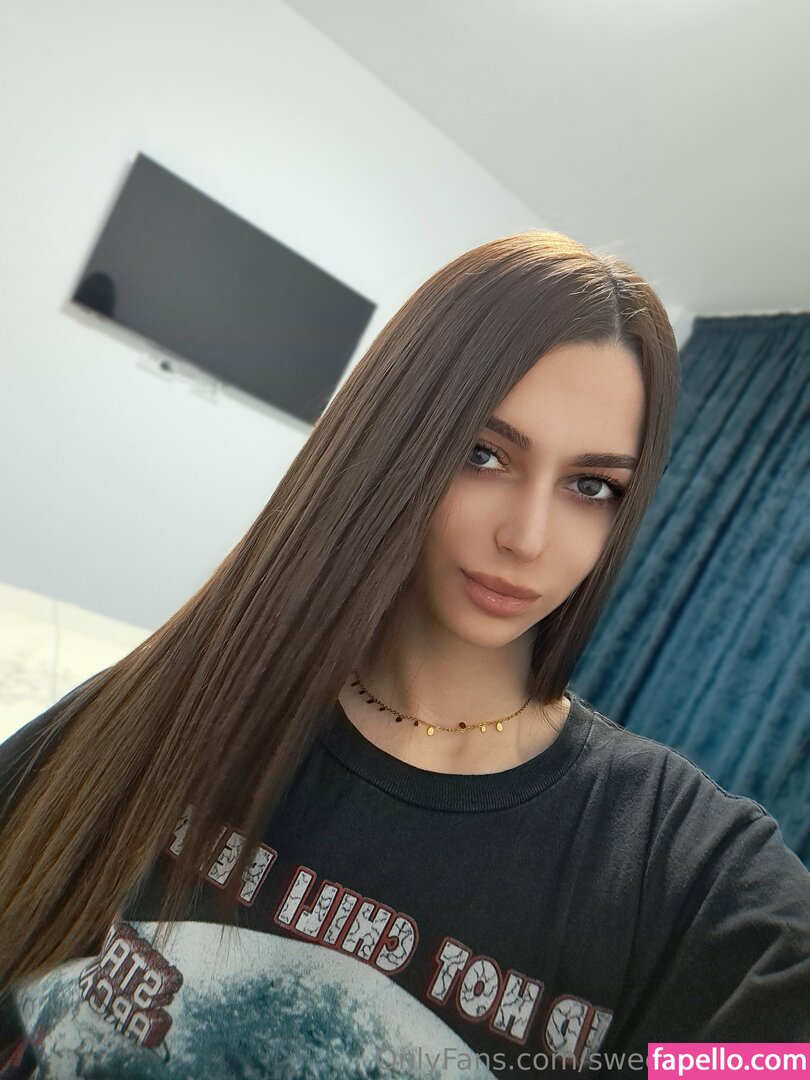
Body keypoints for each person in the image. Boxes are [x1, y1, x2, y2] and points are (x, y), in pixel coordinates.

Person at [0, 230, 808, 1079]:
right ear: (394, 443)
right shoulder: (170, 707)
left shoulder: (673, 864)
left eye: (590, 486)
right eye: (483, 454)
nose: (527, 536)